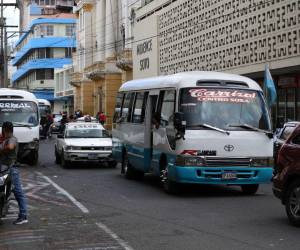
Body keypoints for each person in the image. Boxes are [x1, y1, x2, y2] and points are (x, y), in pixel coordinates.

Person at [0, 121, 28, 225]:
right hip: (4, 169)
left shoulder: (12, 139)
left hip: (11, 169)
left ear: (5, 130)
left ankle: (23, 216)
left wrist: (1, 150)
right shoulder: (6, 139)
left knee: (18, 192)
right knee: (5, 191)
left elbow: (10, 147)